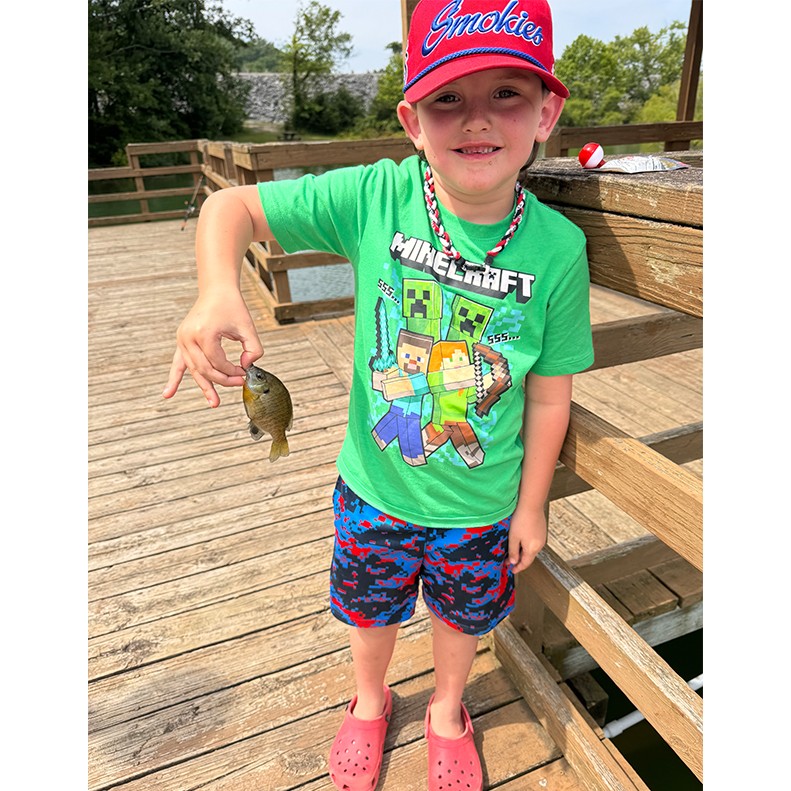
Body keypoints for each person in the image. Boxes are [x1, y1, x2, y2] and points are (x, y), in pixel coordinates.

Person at [162, 1, 594, 788]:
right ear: (411, 118)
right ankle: (368, 701)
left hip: (481, 503)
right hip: (373, 486)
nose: (476, 121)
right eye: (446, 99)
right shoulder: (374, 197)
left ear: (546, 112)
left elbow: (547, 396)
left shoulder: (559, 250)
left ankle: (446, 709)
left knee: (463, 621)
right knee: (368, 613)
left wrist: (530, 504)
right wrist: (214, 288)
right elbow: (231, 206)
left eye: (506, 94)